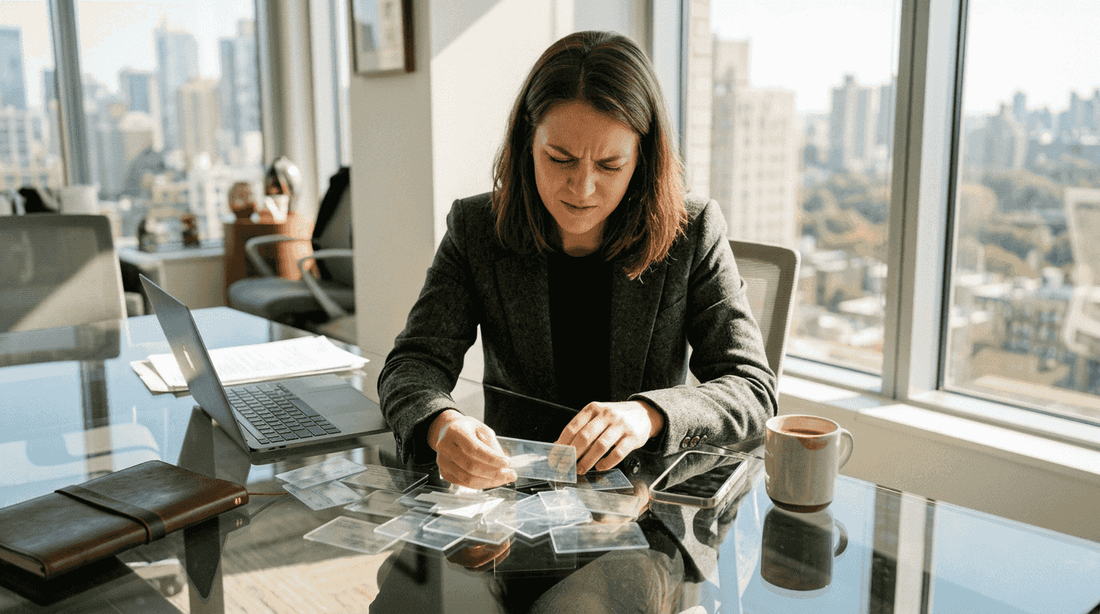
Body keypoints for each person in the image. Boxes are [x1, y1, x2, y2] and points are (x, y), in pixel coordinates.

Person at [377, 30, 776, 490]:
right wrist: (441, 424)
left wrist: (647, 415)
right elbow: (413, 363)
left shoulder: (692, 230)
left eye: (610, 165)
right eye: (560, 158)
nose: (582, 188)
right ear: (528, 142)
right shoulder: (477, 229)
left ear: (641, 159)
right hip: (515, 499)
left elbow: (752, 389)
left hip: (644, 507)